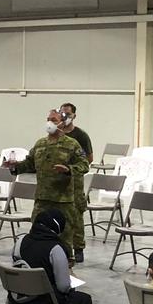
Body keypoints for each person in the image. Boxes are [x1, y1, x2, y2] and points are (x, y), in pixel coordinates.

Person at [6, 109, 90, 260]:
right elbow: (29, 163)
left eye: (54, 119)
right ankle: (37, 262)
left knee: (64, 238)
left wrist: (68, 170)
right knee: (36, 233)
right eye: (48, 119)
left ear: (62, 123)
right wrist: (14, 166)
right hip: (42, 198)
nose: (49, 122)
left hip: (63, 200)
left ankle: (66, 268)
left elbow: (84, 165)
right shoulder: (40, 144)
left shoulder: (71, 144)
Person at [10, 207, 92, 304]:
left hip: (17, 301)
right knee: (83, 300)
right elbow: (63, 287)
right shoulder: (55, 249)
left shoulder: (20, 240)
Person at [60, 102, 92, 264]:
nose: (64, 116)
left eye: (67, 114)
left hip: (75, 181)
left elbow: (89, 158)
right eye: (62, 113)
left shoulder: (80, 136)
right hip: (58, 183)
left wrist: (71, 167)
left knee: (76, 215)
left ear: (74, 116)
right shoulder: (57, 134)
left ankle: (78, 248)